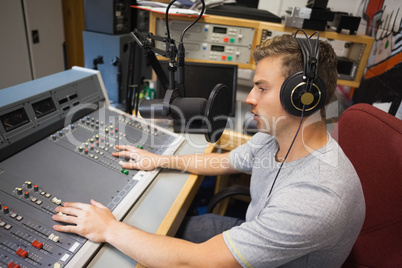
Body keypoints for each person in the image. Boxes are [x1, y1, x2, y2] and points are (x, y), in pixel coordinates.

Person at [52, 33, 365, 267]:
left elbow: (197, 260)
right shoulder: (278, 135)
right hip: (253, 229)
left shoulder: (317, 197)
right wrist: (160, 160)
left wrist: (107, 228)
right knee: (162, 230)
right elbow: (226, 161)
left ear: (302, 96)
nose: (250, 99)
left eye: (262, 88)